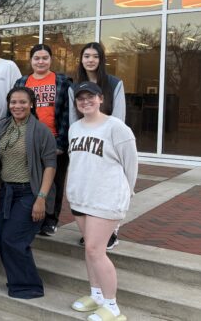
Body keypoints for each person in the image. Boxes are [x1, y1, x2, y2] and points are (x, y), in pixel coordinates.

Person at [67, 82, 137, 321]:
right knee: (90, 249)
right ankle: (96, 295)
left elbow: (131, 164)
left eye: (90, 97)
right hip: (80, 196)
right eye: (80, 99)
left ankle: (112, 306)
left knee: (96, 250)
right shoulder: (74, 127)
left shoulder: (116, 127)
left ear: (100, 99)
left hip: (105, 197)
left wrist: (127, 192)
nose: (85, 102)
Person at [0, 87, 56, 299]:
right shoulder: (2, 126)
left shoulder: (40, 130)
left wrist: (41, 198)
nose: (17, 106)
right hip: (8, 191)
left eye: (22, 102)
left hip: (30, 192)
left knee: (13, 238)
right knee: (0, 236)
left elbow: (50, 165)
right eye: (13, 102)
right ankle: (16, 280)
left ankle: (30, 286)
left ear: (31, 104)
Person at [70, 42, 127, 249]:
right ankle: (90, 232)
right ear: (81, 59)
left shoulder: (114, 83)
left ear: (101, 59)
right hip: (83, 145)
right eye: (86, 56)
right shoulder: (73, 86)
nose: (90, 60)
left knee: (105, 189)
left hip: (107, 145)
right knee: (87, 187)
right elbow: (72, 119)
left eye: (95, 56)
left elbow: (119, 118)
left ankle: (111, 231)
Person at [14, 44, 72, 237]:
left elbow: (67, 114)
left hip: (54, 139)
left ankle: (50, 219)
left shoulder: (62, 81)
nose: (40, 61)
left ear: (51, 60)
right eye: (36, 58)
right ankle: (34, 216)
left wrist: (63, 143)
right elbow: (14, 109)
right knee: (32, 179)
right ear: (30, 61)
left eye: (44, 58)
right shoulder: (22, 81)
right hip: (28, 138)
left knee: (55, 181)